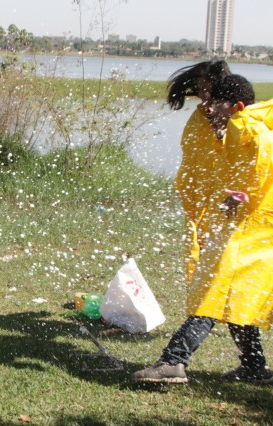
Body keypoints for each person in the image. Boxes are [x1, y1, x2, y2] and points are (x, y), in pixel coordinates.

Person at [133, 75, 273, 384]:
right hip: (254, 233)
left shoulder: (250, 126)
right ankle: (254, 365)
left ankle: (173, 361)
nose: (212, 111)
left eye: (218, 106)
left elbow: (264, 158)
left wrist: (239, 193)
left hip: (249, 234)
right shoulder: (243, 124)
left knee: (212, 293)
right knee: (236, 296)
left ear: (236, 105)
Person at [168, 60, 231, 281]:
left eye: (207, 89)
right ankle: (196, 297)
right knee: (195, 243)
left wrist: (219, 126)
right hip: (197, 193)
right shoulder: (200, 115)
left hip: (221, 194)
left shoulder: (235, 115)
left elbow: (235, 154)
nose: (203, 95)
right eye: (200, 89)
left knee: (218, 248)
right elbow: (192, 153)